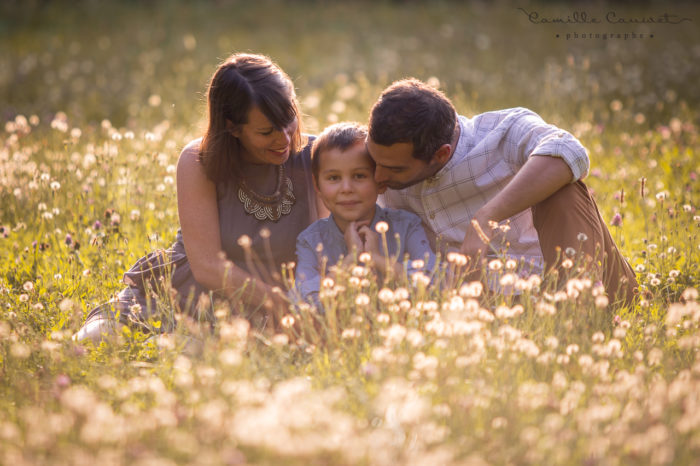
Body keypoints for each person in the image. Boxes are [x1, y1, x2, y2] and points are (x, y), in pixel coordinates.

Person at [74, 53, 326, 342]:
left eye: (289, 119)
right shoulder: (199, 160)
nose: (284, 138)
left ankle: (181, 346)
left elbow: (325, 250)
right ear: (232, 126)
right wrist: (284, 306)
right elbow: (208, 267)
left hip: (267, 311)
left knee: (185, 351)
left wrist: (306, 306)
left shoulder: (316, 156)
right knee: (93, 340)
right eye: (266, 131)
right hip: (189, 294)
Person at [366, 78, 638, 305]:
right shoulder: (382, 165)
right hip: (485, 303)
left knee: (564, 188)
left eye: (395, 170)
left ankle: (577, 314)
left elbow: (570, 151)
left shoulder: (502, 133)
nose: (378, 177)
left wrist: (486, 218)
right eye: (372, 160)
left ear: (441, 154)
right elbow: (327, 152)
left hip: (574, 279)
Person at [294, 122, 435, 308]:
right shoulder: (310, 241)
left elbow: (435, 285)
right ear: (317, 185)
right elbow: (301, 305)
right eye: (334, 178)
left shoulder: (407, 226)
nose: (346, 189)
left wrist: (377, 259)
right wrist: (349, 263)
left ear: (380, 180)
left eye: (359, 176)